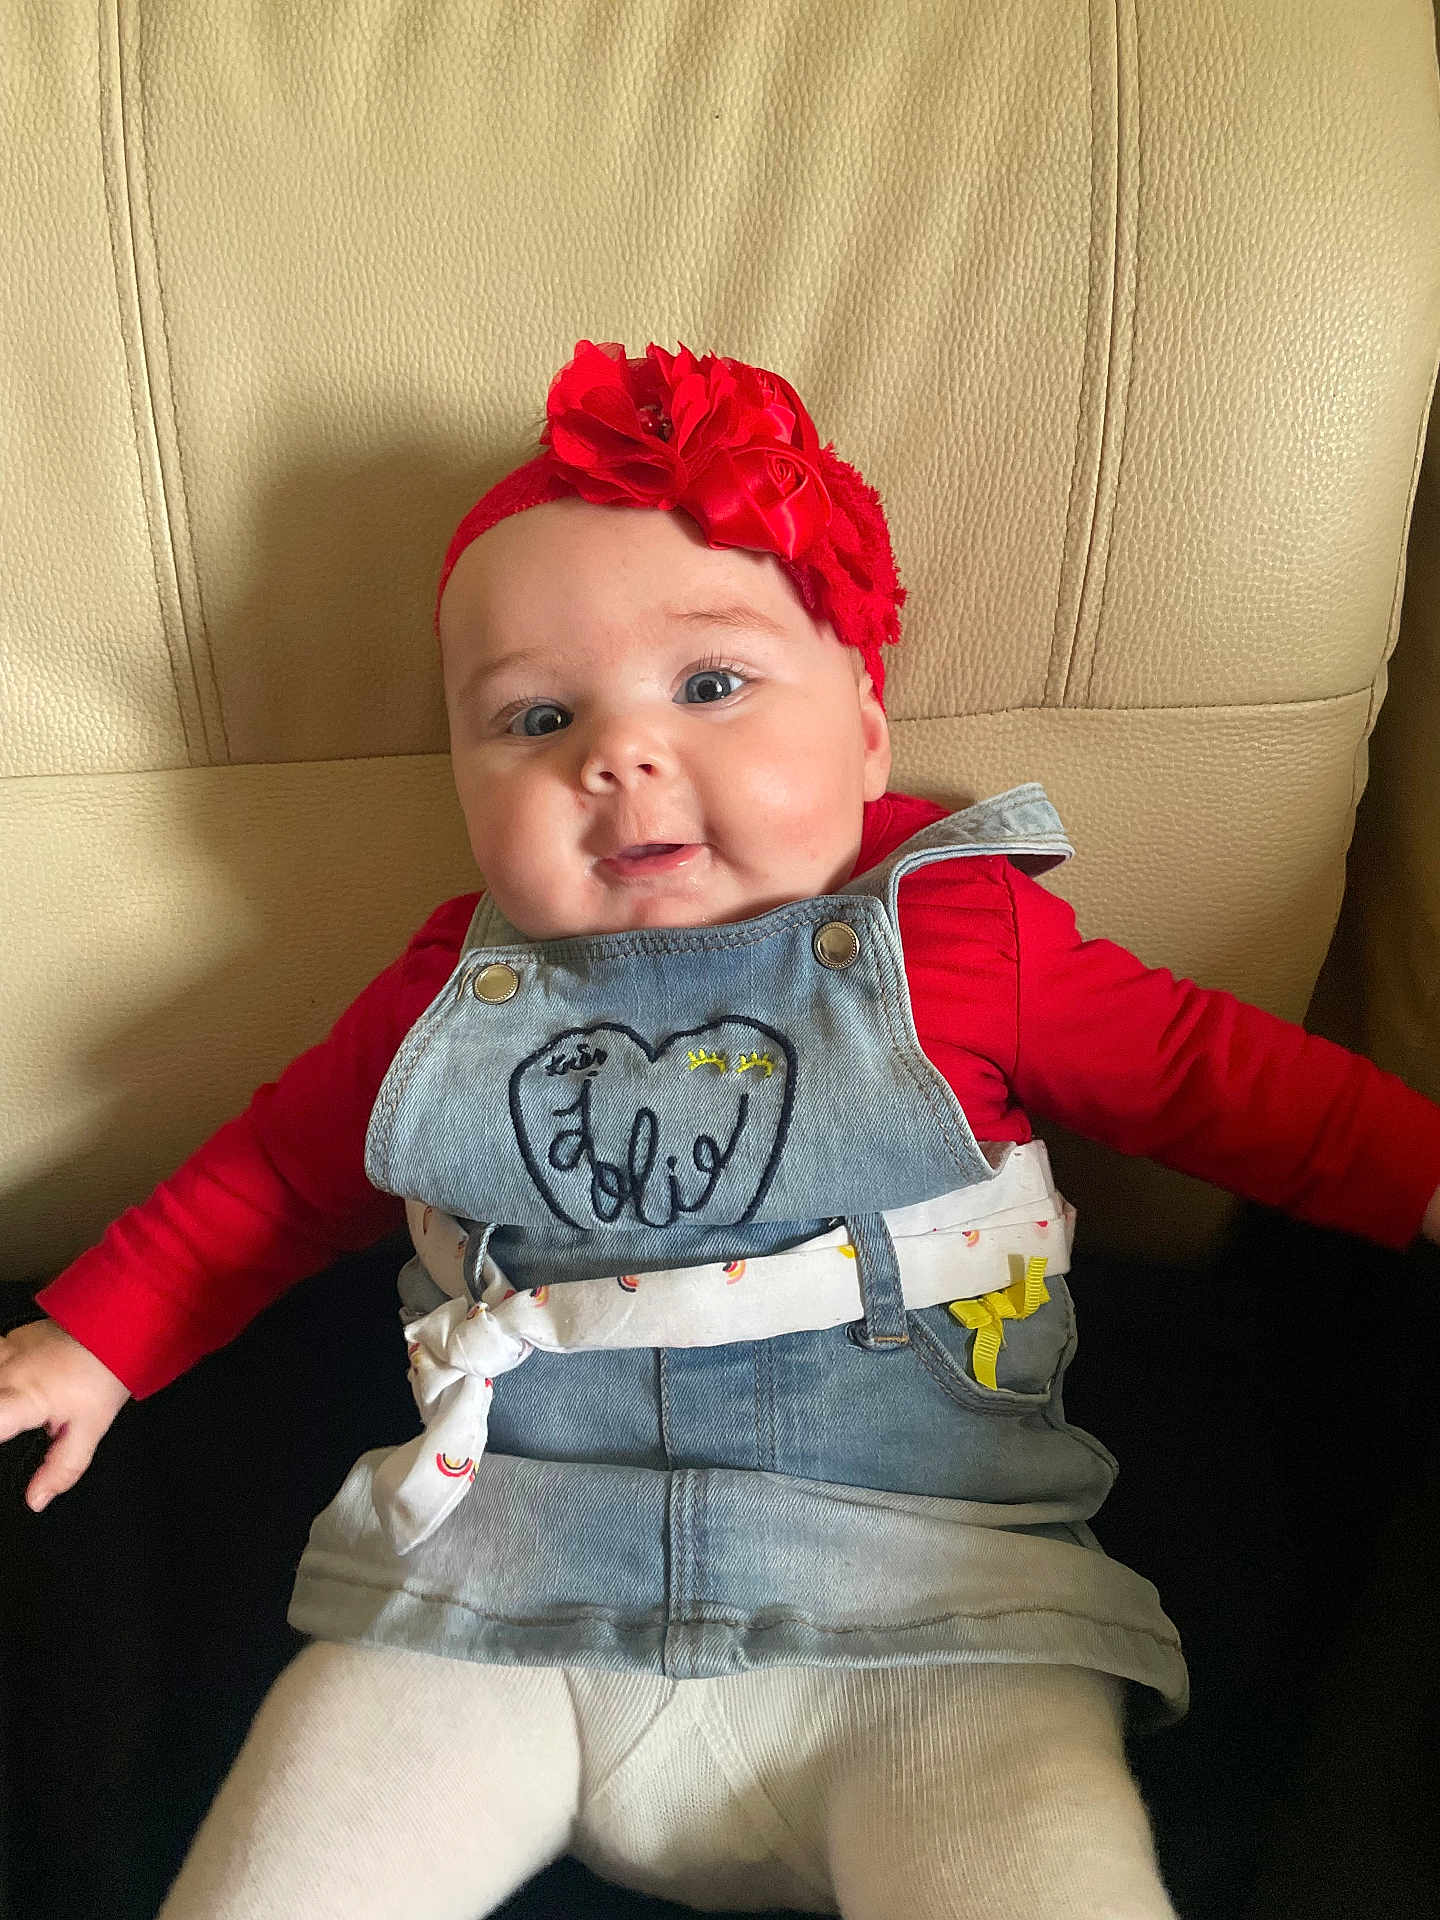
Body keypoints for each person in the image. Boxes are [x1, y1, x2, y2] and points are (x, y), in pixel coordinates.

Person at [4, 340, 1439, 1920]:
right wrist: (98, 1340)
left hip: (931, 1618)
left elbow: (1225, 1081)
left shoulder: (959, 948)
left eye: (709, 685)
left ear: (868, 728)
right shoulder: (449, 994)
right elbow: (275, 1179)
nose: (615, 753)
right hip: (501, 1606)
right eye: (534, 715)